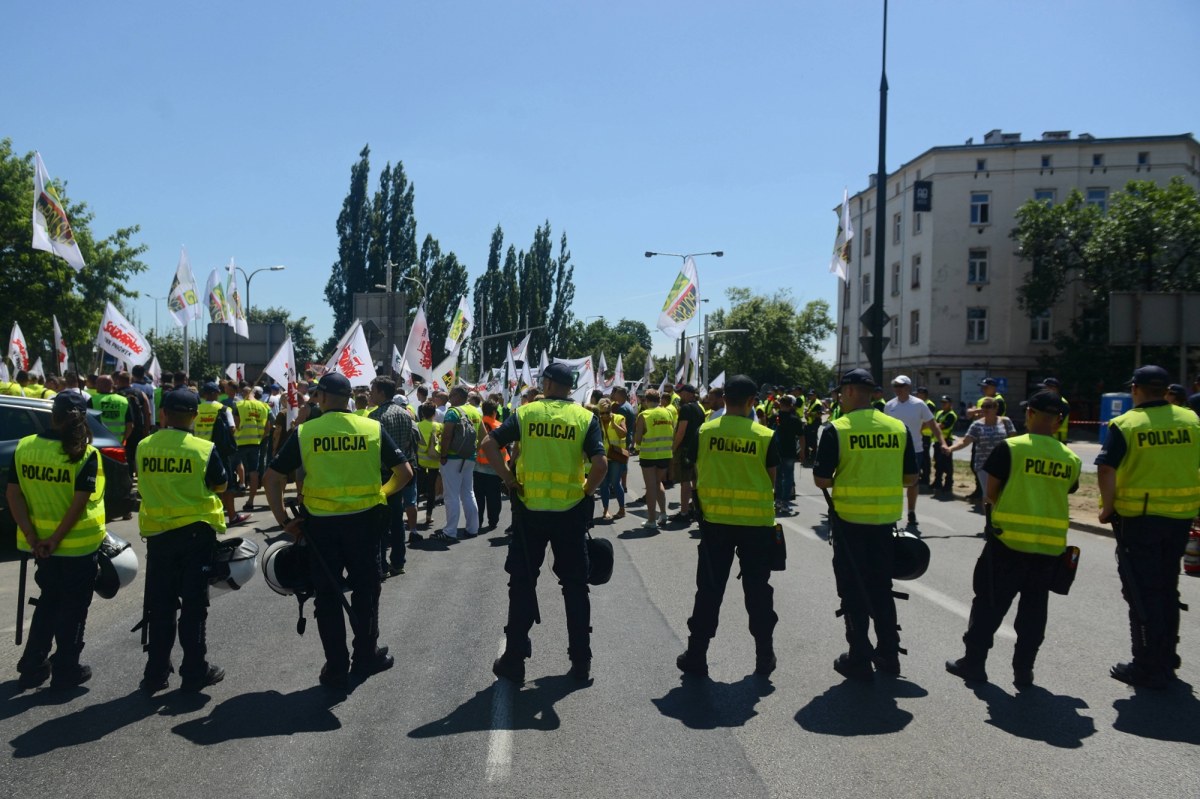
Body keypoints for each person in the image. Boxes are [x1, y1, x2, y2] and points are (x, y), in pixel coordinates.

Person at [264, 373, 412, 690]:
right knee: (367, 591)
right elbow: (404, 472)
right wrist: (381, 494)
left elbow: (273, 478)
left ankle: (335, 667)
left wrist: (282, 522)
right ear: (348, 397)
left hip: (322, 529)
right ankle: (365, 656)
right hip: (364, 525)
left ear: (321, 397)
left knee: (328, 597)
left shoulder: (306, 432)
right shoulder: (371, 427)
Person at [483, 362, 607, 683]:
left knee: (523, 583)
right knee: (575, 586)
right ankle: (581, 661)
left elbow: (488, 446)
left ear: (548, 383)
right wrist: (585, 492)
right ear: (571, 387)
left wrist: (509, 479)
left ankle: (514, 659)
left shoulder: (526, 413)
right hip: (570, 513)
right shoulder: (585, 417)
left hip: (529, 511)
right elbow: (600, 464)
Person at [945, 391, 1080, 688]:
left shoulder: (1011, 448)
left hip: (1007, 545)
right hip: (1048, 549)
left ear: (1030, 413)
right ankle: (1023, 671)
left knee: (988, 605)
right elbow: (1066, 491)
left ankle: (974, 664)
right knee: (1034, 612)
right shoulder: (1070, 458)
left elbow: (990, 495)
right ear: (1058, 422)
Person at [1096, 365, 1200, 689]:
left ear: (1136, 390)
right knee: (1167, 588)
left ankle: (1145, 665)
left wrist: (1107, 507)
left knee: (1141, 593)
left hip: (1139, 520)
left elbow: (1106, 468)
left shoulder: (1127, 424)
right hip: (1180, 517)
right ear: (1166, 390)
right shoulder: (1192, 420)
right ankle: (1167, 657)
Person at [813, 368, 917, 681]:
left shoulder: (838, 428)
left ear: (846, 392)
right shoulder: (897, 427)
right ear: (871, 393)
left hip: (849, 525)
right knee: (881, 589)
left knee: (853, 591)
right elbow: (911, 477)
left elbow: (821, 479)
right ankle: (889, 653)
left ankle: (858, 656)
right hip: (885, 524)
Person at [676, 375, 781, 677]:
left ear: (724, 399)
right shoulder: (764, 435)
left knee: (709, 590)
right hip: (757, 525)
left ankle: (697, 653)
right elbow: (772, 479)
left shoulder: (705, 431)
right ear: (752, 402)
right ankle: (764, 655)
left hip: (715, 523)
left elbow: (694, 469)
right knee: (758, 591)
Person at [9, 392, 105, 690]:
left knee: (49, 602)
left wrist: (33, 537)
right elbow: (78, 505)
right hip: (77, 546)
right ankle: (66, 668)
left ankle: (33, 665)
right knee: (73, 608)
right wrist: (54, 539)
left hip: (41, 547)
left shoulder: (24, 447)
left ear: (53, 414)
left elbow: (13, 494)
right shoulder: (85, 453)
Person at [136, 388, 229, 693]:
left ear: (163, 413)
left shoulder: (144, 446)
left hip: (159, 537)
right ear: (194, 417)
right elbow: (221, 483)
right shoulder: (203, 449)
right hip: (195, 537)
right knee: (193, 607)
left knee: (160, 606)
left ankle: (156, 673)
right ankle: (194, 671)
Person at [369, 376, 418, 575]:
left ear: (381, 392)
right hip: (401, 473)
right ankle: (398, 562)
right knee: (397, 519)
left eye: (373, 390)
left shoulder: (374, 418)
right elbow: (411, 442)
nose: (371, 394)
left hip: (381, 475)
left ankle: (379, 566)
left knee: (380, 522)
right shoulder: (406, 415)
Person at [884, 375, 945, 533]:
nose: (897, 389)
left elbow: (933, 425)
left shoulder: (919, 404)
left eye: (901, 386)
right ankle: (893, 513)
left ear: (908, 387)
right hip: (893, 451)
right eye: (895, 386)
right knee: (894, 483)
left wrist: (943, 442)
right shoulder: (889, 405)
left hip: (915, 450)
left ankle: (911, 512)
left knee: (912, 482)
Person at [944, 397, 1014, 514]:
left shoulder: (1005, 421)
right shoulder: (977, 425)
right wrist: (950, 449)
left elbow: (1014, 440)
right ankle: (989, 522)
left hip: (1003, 464)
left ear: (996, 408)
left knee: (1003, 494)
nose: (985, 409)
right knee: (988, 494)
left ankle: (1000, 520)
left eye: (989, 406)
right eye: (983, 407)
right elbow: (964, 441)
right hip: (983, 465)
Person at [438, 386, 480, 540]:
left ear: (457, 395)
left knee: (451, 495)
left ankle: (450, 531)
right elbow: (483, 435)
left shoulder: (453, 412)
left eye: (451, 394)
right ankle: (473, 528)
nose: (449, 397)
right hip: (469, 457)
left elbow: (447, 436)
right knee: (468, 493)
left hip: (453, 458)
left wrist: (443, 455)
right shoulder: (476, 411)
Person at [634, 388, 673, 530]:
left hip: (649, 455)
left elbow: (638, 440)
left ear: (646, 400)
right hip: (665, 454)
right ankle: (663, 514)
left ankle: (651, 520)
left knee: (650, 486)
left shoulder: (644, 415)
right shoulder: (668, 412)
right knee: (658, 483)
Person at [670, 384, 705, 525]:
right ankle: (697, 510)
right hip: (697, 448)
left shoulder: (685, 409)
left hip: (685, 449)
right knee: (695, 482)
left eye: (681, 393)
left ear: (688, 393)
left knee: (685, 481)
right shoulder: (699, 408)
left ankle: (684, 512)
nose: (679, 396)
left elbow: (681, 431)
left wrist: (673, 448)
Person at [234, 385, 271, 512]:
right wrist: (260, 437)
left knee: (238, 468)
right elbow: (268, 429)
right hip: (256, 443)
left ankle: (240, 488)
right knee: (254, 471)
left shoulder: (239, 405)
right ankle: (251, 501)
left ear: (242, 393)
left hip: (240, 443)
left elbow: (236, 425)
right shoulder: (264, 406)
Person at [474, 399, 507, 531]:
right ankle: (493, 521)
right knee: (494, 497)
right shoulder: (499, 426)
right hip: (495, 467)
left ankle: (478, 521)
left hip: (477, 466)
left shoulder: (478, 423)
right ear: (494, 412)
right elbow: (503, 447)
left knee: (478, 496)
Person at [770, 394, 804, 516]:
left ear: (780, 404)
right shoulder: (795, 419)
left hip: (776, 451)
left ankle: (778, 500)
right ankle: (785, 502)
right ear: (791, 405)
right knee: (788, 477)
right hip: (789, 451)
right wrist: (802, 452)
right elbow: (801, 437)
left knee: (778, 477)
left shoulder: (775, 417)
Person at [413, 402, 442, 534]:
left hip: (420, 462)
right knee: (431, 490)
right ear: (434, 413)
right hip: (434, 463)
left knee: (417, 489)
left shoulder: (417, 426)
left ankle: (412, 516)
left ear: (422, 413)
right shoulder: (439, 426)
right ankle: (428, 517)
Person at [597, 398, 627, 521]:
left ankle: (621, 509)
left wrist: (614, 424)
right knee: (603, 485)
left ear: (611, 410)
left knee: (615, 483)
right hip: (603, 456)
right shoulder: (597, 421)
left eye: (606, 412)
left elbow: (623, 434)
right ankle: (606, 510)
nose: (604, 415)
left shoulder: (619, 418)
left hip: (615, 456)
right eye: (601, 413)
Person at [89, 374, 133, 443]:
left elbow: (87, 423)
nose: (96, 386)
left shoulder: (92, 400)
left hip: (98, 442)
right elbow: (130, 425)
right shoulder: (123, 401)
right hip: (117, 443)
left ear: (100, 385)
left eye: (97, 384)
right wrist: (123, 440)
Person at [932, 395, 958, 493]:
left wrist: (935, 425)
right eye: (942, 402)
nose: (943, 404)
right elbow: (935, 424)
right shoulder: (939, 413)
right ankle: (937, 482)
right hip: (937, 441)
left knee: (947, 464)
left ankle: (948, 484)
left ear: (950, 404)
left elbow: (941, 426)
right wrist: (935, 425)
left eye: (945, 402)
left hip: (946, 441)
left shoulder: (951, 415)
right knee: (938, 464)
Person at [915, 386, 937, 487]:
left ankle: (926, 477)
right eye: (917, 394)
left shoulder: (929, 404)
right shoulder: (920, 403)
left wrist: (919, 429)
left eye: (919, 394)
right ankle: (921, 476)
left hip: (926, 434)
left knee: (925, 458)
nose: (917, 395)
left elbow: (928, 421)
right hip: (921, 434)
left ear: (924, 394)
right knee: (920, 456)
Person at [1038, 377, 1070, 442]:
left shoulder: (1061, 403)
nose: (1043, 390)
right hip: (1046, 439)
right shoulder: (1047, 401)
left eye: (1045, 387)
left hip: (1057, 440)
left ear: (1054, 388)